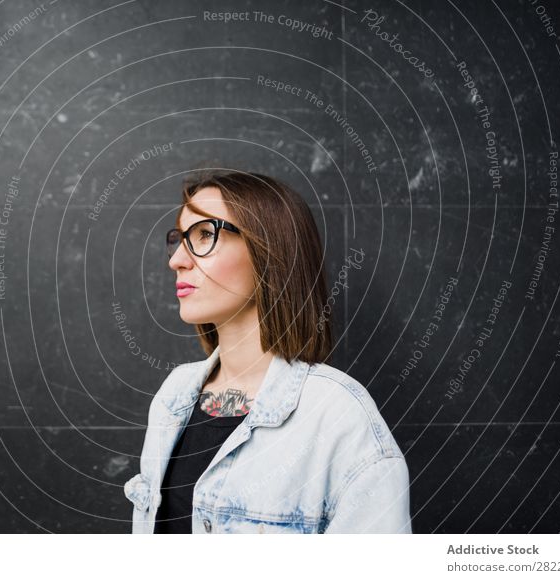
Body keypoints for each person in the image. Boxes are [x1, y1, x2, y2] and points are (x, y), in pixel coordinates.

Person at [124, 170, 411, 534]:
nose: (177, 259)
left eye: (204, 235)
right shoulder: (173, 395)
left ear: (269, 249)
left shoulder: (337, 417)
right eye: (180, 239)